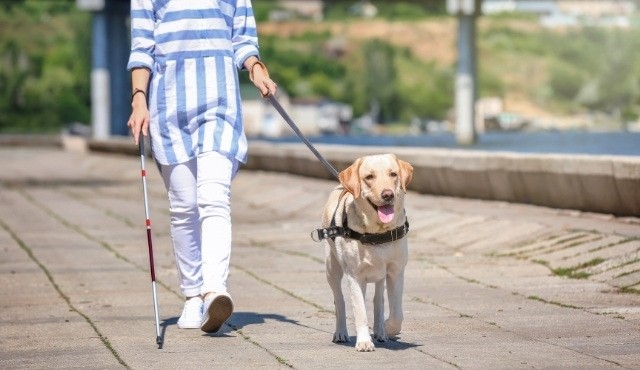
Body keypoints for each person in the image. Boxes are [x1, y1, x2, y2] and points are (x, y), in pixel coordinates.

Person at [126, 0, 277, 333]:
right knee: (184, 207)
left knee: (213, 196)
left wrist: (256, 67)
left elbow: (243, 40)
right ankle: (193, 296)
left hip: (219, 102)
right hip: (168, 106)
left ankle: (214, 290)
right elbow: (142, 48)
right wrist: (139, 98)